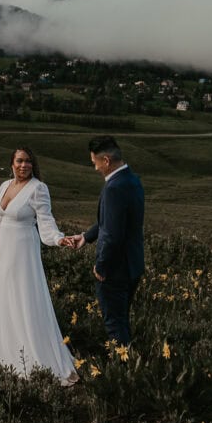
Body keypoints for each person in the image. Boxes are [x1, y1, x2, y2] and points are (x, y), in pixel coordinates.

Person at [0, 146, 78, 386]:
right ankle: (7, 351)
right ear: (12, 163)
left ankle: (35, 357)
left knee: (24, 300)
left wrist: (59, 239)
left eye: (28, 162)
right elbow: (0, 221)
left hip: (23, 252)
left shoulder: (38, 188)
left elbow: (46, 224)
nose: (24, 166)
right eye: (19, 161)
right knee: (5, 300)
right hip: (3, 253)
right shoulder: (4, 186)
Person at [69, 136, 145, 347]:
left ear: (106, 161)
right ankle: (130, 363)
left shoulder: (113, 188)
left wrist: (101, 267)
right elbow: (113, 222)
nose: (95, 168)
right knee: (122, 320)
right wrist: (86, 237)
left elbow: (112, 235)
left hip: (115, 270)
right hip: (133, 265)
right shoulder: (133, 180)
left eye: (95, 163)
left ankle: (123, 372)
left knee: (114, 324)